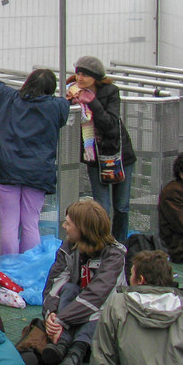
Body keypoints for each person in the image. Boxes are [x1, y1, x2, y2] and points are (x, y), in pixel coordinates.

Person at [0, 54, 70, 256]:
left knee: (9, 222)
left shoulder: (7, 98)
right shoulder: (56, 106)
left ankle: (7, 268)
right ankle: (28, 267)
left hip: (7, 168)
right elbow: (65, 108)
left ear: (28, 83)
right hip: (38, 172)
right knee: (30, 223)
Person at [40, 199, 127, 365]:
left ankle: (76, 352)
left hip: (105, 313)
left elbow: (96, 297)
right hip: (75, 309)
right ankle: (62, 345)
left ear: (82, 230)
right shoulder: (68, 248)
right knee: (70, 288)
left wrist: (62, 320)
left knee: (99, 310)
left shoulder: (114, 255)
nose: (63, 226)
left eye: (68, 223)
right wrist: (51, 315)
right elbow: (53, 285)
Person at [66, 56, 136, 241]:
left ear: (96, 77)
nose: (80, 78)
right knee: (102, 206)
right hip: (94, 157)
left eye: (85, 74)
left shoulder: (110, 92)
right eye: (78, 73)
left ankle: (120, 244)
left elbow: (111, 124)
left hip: (119, 155)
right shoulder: (73, 92)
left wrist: (92, 102)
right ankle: (103, 244)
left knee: (121, 206)